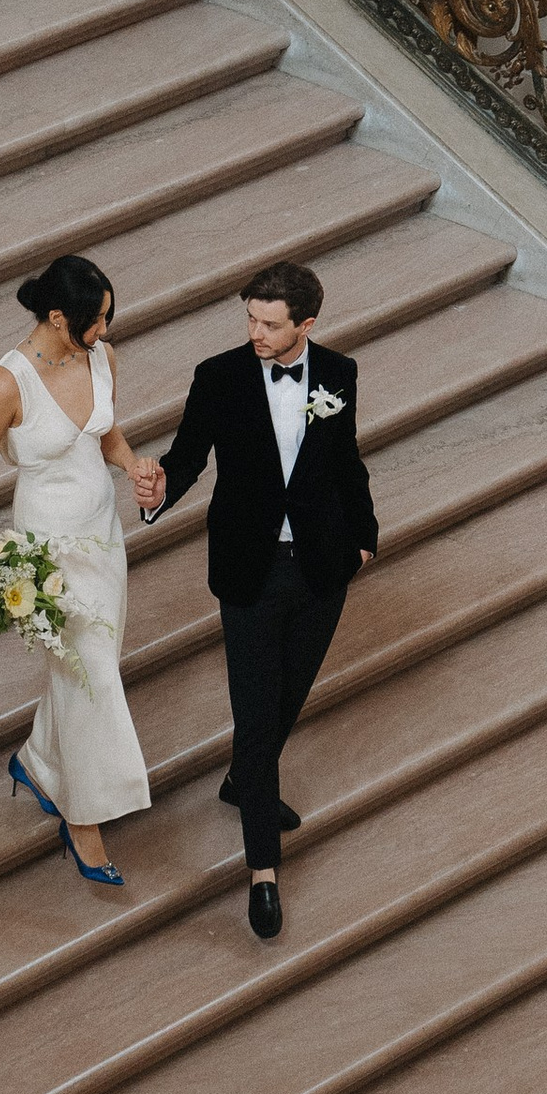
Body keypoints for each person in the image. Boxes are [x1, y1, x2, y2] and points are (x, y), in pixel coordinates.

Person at [142, 257, 376, 940]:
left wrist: (365, 539)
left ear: (306, 323)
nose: (256, 333)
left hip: (322, 566)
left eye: (271, 324)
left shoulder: (338, 374)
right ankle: (263, 876)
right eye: (249, 319)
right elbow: (188, 456)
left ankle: (243, 780)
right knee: (255, 705)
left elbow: (346, 462)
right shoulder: (218, 377)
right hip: (249, 568)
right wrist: (159, 497)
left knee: (284, 701)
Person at [0, 255, 161, 887]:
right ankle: (84, 818)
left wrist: (133, 466)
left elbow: (104, 435)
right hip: (49, 550)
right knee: (89, 673)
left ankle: (39, 761)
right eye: (94, 320)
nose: (103, 330)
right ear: (55, 316)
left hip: (104, 537)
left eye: (106, 317)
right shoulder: (5, 384)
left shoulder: (102, 355)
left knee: (86, 669)